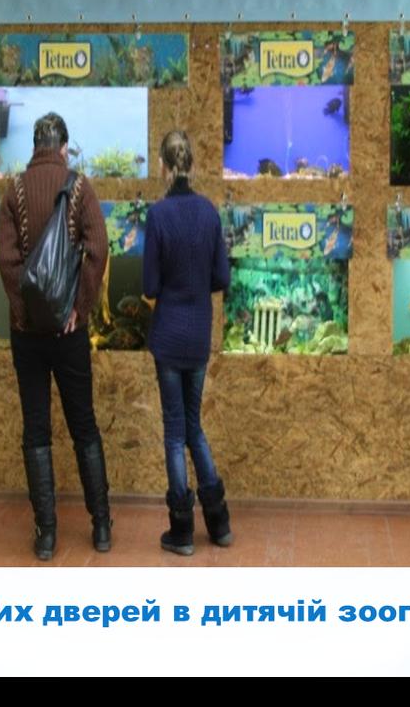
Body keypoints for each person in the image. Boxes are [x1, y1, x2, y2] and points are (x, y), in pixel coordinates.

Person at [0, 112, 111, 560]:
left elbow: (7, 261)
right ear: (63, 147)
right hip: (69, 333)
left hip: (26, 335)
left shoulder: (14, 191)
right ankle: (101, 526)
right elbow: (98, 248)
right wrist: (77, 307)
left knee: (36, 429)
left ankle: (46, 533)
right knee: (84, 425)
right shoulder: (79, 187)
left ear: (34, 146)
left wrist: (25, 311)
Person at [142, 131, 233, 555]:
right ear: (191, 165)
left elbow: (149, 285)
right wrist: (195, 285)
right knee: (193, 427)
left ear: (163, 165)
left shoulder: (158, 216)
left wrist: (171, 287)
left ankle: (181, 530)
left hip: (167, 338)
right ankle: (219, 523)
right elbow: (221, 278)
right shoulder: (209, 213)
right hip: (198, 336)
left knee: (174, 432)